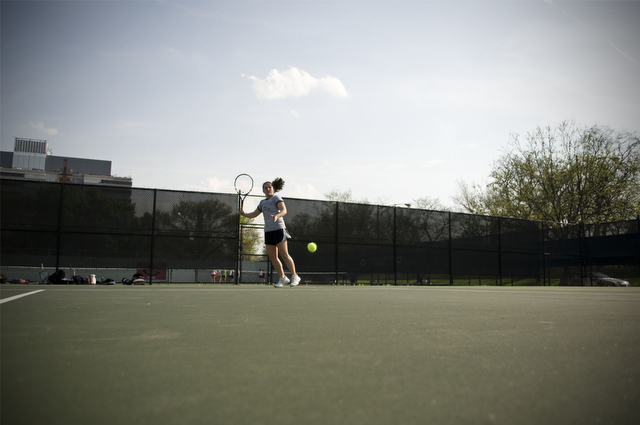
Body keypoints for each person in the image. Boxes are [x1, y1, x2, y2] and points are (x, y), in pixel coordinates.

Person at [240, 178, 300, 288]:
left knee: (284, 255)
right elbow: (254, 214)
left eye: (269, 187)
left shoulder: (276, 198)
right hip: (268, 231)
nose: (268, 189)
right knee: (272, 257)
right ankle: (282, 278)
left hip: (278, 229)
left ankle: (294, 276)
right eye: (265, 188)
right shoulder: (262, 203)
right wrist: (244, 214)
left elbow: (284, 210)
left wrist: (277, 215)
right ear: (263, 191)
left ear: (273, 189)